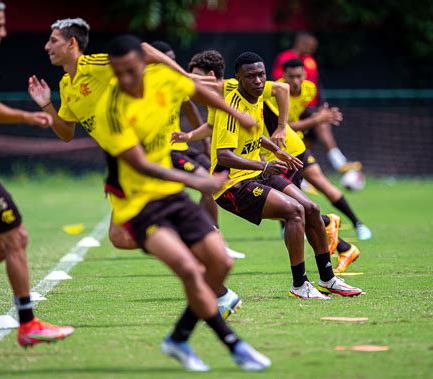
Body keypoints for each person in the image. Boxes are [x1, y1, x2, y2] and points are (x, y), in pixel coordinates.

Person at [28, 19, 243, 318]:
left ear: (72, 44)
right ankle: (205, 262)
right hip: (121, 163)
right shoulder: (67, 85)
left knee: (143, 225)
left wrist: (179, 73)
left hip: (145, 153)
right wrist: (45, 106)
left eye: (53, 40)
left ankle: (212, 279)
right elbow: (66, 132)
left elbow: (143, 50)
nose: (47, 46)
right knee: (121, 237)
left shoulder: (97, 64)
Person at [92, 34, 272, 372]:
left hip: (171, 196)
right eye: (119, 74)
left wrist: (237, 114)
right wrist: (197, 180)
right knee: (191, 270)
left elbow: (199, 92)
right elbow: (141, 165)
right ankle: (235, 346)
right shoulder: (111, 111)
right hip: (138, 205)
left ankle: (178, 337)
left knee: (221, 264)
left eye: (132, 70)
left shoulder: (162, 78)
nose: (126, 80)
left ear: (143, 64)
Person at [174, 50, 362, 271]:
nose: (194, 83)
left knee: (296, 211)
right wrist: (189, 136)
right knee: (296, 212)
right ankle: (339, 248)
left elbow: (281, 88)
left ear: (211, 75)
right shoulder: (223, 100)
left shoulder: (237, 88)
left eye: (197, 76)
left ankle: (332, 235)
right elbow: (214, 128)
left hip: (283, 151)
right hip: (271, 154)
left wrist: (281, 129)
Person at [0, 0, 74, 347]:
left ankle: (28, 324)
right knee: (17, 237)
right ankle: (28, 324)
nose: (4, 32)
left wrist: (27, 117)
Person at [150, 41, 246, 260]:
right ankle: (205, 240)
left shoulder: (180, 84)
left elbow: (189, 107)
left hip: (181, 148)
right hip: (165, 152)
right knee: (208, 184)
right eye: (168, 59)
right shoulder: (151, 84)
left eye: (173, 58)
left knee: (214, 183)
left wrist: (200, 139)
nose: (173, 63)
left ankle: (212, 238)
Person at [276, 58, 372, 241]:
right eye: (291, 77)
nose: (295, 81)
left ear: (304, 75)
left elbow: (304, 116)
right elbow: (284, 126)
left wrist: (322, 116)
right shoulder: (276, 92)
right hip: (277, 150)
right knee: (284, 189)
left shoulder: (309, 89)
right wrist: (317, 119)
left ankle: (358, 224)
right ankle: (286, 226)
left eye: (299, 76)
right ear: (283, 77)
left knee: (324, 185)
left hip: (298, 147)